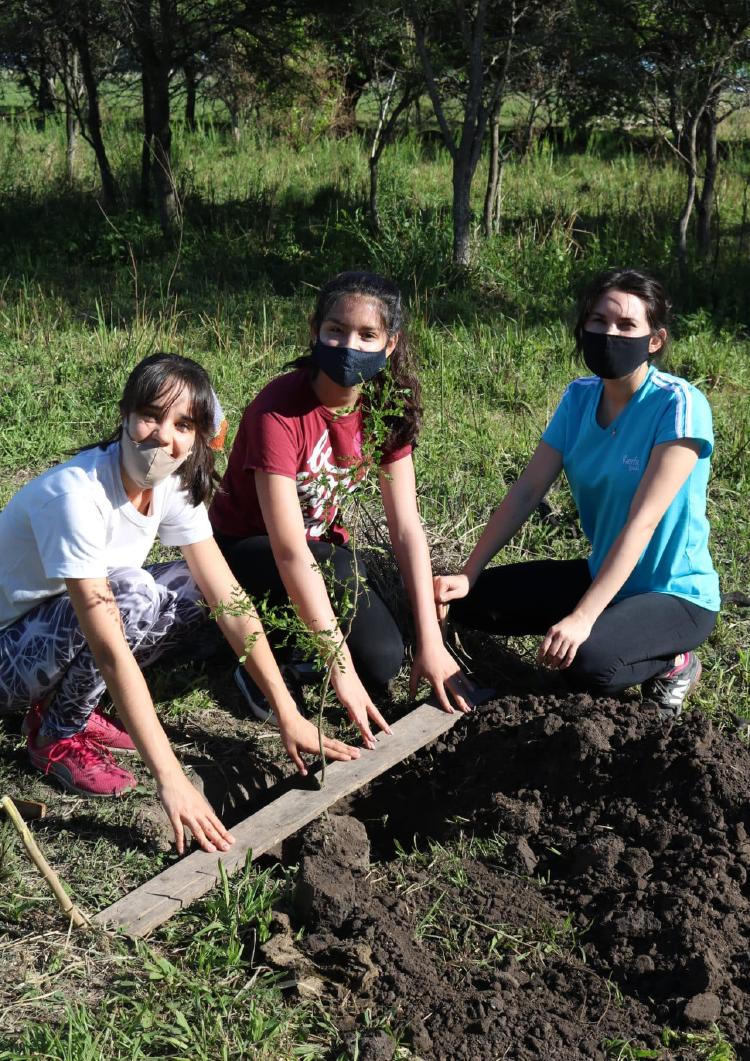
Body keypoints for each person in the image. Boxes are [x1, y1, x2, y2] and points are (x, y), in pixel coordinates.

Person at [0, 353, 358, 854]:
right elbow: (109, 648)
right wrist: (170, 777)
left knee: (194, 590)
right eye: (150, 415)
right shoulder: (75, 498)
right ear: (124, 415)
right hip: (7, 656)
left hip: (60, 628)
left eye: (183, 424)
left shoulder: (170, 484)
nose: (163, 437)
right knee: (132, 595)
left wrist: (288, 712)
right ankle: (54, 734)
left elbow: (226, 596)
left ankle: (67, 705)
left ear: (197, 436)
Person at [434, 268, 720, 718]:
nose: (610, 334)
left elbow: (642, 522)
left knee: (588, 664)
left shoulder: (679, 406)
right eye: (598, 321)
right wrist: (470, 571)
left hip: (672, 594)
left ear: (655, 340)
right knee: (469, 604)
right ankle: (599, 623)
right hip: (601, 573)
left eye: (627, 326)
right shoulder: (579, 397)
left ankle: (674, 663)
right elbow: (528, 490)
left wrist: (583, 618)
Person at [209, 271, 474, 748]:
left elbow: (406, 527)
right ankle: (265, 660)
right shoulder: (279, 411)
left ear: (390, 344)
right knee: (338, 576)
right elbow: (289, 551)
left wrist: (430, 639)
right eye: (336, 330)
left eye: (367, 335)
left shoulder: (385, 405)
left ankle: (308, 639)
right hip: (245, 551)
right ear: (315, 330)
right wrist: (339, 669)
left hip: (322, 550)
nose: (349, 345)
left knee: (384, 659)